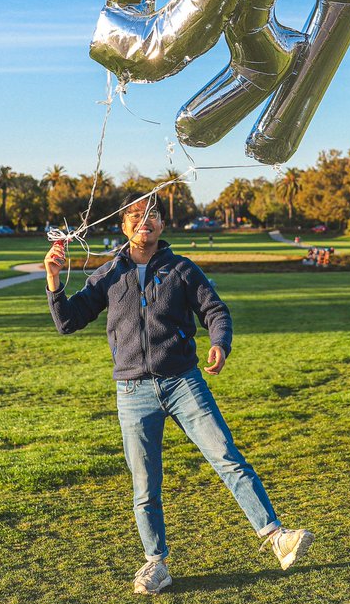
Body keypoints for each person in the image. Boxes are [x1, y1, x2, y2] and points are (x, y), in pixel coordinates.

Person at [44, 194, 313, 595]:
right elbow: (68, 322)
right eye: (136, 216)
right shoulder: (107, 275)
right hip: (132, 390)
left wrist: (220, 341)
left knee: (226, 457)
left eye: (151, 215)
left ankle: (276, 536)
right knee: (144, 483)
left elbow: (215, 311)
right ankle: (156, 564)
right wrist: (53, 278)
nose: (144, 222)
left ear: (161, 225)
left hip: (184, 382)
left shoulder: (182, 269)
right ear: (123, 225)